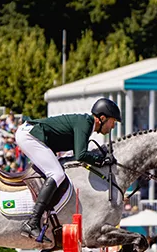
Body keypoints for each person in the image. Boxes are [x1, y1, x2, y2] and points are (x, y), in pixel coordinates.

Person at [15, 98, 121, 239]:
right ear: (102, 118)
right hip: (29, 136)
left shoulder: (86, 124)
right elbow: (81, 155)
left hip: (32, 136)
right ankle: (32, 222)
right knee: (57, 173)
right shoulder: (85, 123)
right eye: (113, 121)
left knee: (58, 171)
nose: (113, 126)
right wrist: (102, 160)